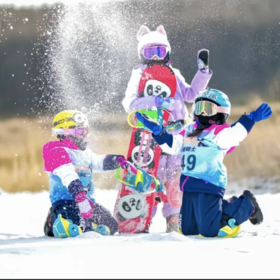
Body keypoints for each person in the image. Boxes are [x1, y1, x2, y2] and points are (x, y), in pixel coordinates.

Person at [135, 88, 272, 237]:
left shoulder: (218, 133)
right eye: (199, 108)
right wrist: (158, 132)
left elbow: (234, 134)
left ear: (220, 112)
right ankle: (222, 207)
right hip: (188, 185)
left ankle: (246, 205)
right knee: (188, 230)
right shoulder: (190, 131)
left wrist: (250, 118)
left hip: (209, 184)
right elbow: (173, 145)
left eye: (207, 109)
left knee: (210, 230)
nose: (202, 114)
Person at [122, 24, 213, 232]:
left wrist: (203, 72)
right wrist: (156, 101)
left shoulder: (173, 72)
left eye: (160, 51)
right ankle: (143, 217)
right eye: (150, 52)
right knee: (151, 175)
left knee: (175, 176)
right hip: (151, 135)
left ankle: (173, 218)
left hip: (179, 132)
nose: (155, 57)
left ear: (167, 51)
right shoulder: (139, 74)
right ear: (141, 54)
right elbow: (129, 104)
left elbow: (191, 95)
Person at [43, 110, 126, 238]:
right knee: (73, 228)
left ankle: (91, 226)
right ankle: (53, 221)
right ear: (64, 132)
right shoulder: (56, 151)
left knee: (111, 225)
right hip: (66, 202)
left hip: (88, 203)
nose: (83, 135)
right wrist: (78, 193)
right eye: (79, 131)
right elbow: (67, 174)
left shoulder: (84, 152)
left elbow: (98, 161)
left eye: (85, 131)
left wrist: (116, 160)